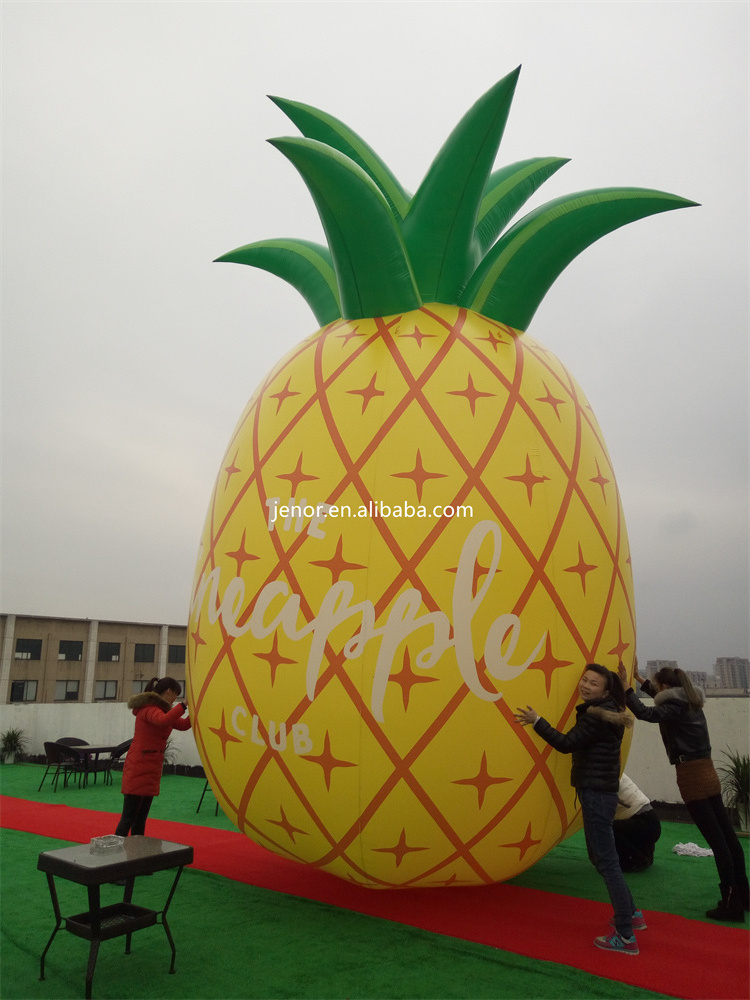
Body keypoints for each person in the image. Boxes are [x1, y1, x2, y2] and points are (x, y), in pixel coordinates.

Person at [515, 663, 642, 956]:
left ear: (605, 691)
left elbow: (566, 743)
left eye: (593, 683)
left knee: (606, 862)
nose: (585, 686)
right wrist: (622, 682)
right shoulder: (611, 709)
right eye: (584, 680)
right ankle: (632, 914)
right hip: (602, 792)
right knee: (601, 857)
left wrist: (537, 721)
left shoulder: (595, 718)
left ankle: (625, 934)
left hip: (597, 794)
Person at [619, 658, 748, 922]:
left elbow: (648, 714)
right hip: (707, 772)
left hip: (692, 777)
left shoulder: (675, 705)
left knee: (718, 841)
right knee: (728, 837)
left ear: (666, 686)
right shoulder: (688, 700)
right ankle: (744, 895)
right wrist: (641, 680)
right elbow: (662, 702)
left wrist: (626, 688)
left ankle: (731, 902)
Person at [115, 676, 191, 837]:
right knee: (129, 817)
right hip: (139, 766)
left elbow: (183, 725)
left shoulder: (163, 710)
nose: (175, 700)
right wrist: (184, 705)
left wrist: (197, 711)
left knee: (140, 818)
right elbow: (163, 721)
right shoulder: (149, 709)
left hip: (150, 767)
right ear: (168, 692)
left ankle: (137, 850)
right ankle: (116, 851)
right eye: (175, 696)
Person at [614, 774, 661, 872]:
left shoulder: (604, 777)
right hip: (652, 822)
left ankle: (637, 859)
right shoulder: (617, 771)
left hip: (643, 824)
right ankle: (644, 855)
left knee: (608, 828)